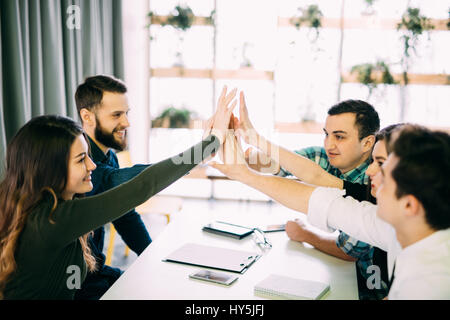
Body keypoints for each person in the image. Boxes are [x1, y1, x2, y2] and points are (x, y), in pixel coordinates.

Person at [0, 86, 236, 299]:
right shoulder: (54, 218)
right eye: (81, 160)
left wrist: (152, 259)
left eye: (89, 157)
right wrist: (211, 143)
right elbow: (143, 185)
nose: (92, 166)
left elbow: (126, 214)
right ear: (50, 169)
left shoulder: (42, 206)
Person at [211, 124, 450, 299]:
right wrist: (244, 174)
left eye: (385, 173)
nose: (369, 173)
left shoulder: (430, 284)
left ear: (409, 205)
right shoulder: (399, 226)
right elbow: (317, 199)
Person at [234, 92, 381, 298]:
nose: (329, 144)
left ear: (367, 143)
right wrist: (240, 152)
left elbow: (349, 252)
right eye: (326, 134)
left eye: (339, 136)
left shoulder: (374, 185)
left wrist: (304, 234)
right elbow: (277, 163)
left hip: (367, 289)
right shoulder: (324, 156)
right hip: (341, 276)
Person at [73, 75, 150, 299]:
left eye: (127, 113)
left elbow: (125, 215)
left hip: (95, 272)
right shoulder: (77, 165)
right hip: (78, 283)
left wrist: (150, 255)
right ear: (87, 116)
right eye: (117, 115)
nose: (126, 123)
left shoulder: (109, 157)